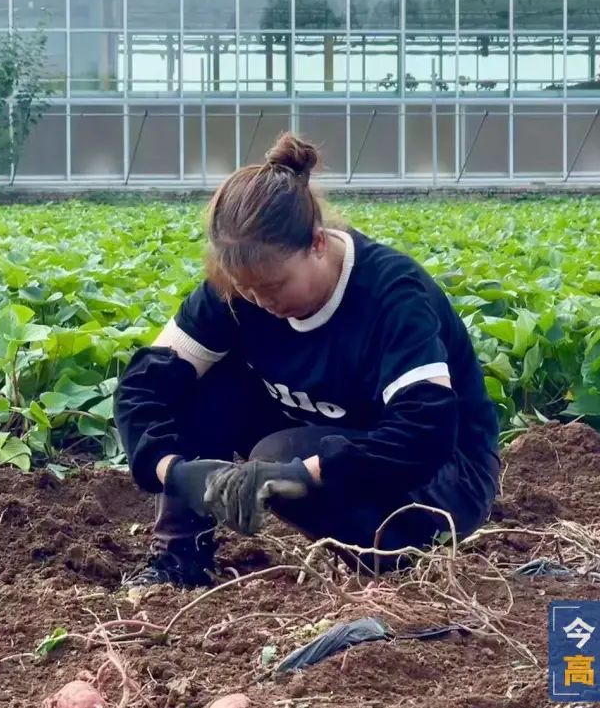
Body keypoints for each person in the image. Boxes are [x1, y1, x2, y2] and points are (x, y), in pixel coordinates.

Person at [114, 132, 502, 589]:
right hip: (322, 430)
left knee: (279, 455)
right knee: (192, 380)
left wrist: (302, 473)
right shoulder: (239, 291)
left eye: (274, 286)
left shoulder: (390, 294)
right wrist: (176, 471)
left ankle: (397, 563)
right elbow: (143, 387)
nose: (260, 302)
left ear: (317, 243)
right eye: (245, 289)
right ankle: (180, 557)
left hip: (444, 477)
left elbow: (425, 432)